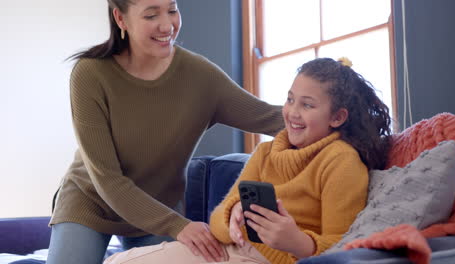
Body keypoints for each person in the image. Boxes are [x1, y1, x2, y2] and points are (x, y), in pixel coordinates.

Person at [46, 0, 285, 263]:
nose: (167, 25)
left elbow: (271, 118)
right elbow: (108, 179)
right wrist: (177, 226)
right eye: (151, 15)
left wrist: (330, 110)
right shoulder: (90, 73)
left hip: (159, 206)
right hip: (91, 201)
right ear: (121, 19)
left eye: (172, 10)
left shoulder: (200, 76)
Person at [102, 57, 393, 264]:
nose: (292, 112)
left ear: (337, 117)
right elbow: (217, 219)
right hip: (227, 249)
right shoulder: (266, 153)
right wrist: (232, 217)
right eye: (290, 100)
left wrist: (296, 241)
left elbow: (343, 249)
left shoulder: (341, 162)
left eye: (307, 105)